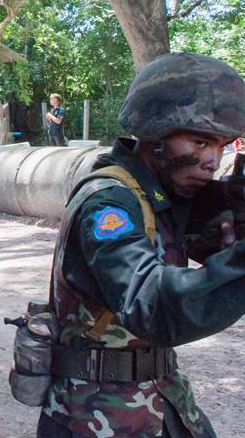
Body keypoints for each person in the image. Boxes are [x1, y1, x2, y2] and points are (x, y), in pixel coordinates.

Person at [38, 53, 245, 437]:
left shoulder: (166, 198)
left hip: (163, 399)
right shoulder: (110, 203)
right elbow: (150, 304)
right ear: (155, 136)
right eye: (200, 141)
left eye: (222, 145)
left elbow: (210, 238)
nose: (213, 160)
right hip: (94, 414)